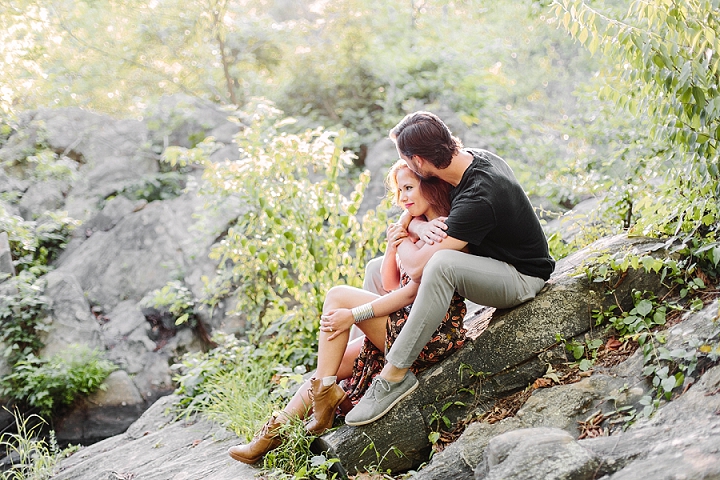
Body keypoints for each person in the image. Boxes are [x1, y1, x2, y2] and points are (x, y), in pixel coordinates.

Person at [228, 160, 467, 465]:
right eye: (399, 191)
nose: (403, 198)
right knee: (333, 363)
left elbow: (411, 293)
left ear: (430, 185)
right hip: (404, 324)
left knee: (338, 297)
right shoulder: (417, 225)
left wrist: (354, 316)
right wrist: (395, 245)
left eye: (409, 188)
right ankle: (276, 431)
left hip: (430, 334)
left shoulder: (443, 229)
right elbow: (393, 283)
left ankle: (325, 394)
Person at [345, 111, 555, 427]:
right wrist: (413, 228)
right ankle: (363, 357)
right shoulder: (469, 162)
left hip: (520, 278)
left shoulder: (481, 194)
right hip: (488, 265)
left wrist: (401, 230)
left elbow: (417, 267)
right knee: (378, 267)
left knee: (440, 263)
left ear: (418, 161)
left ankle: (393, 375)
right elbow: (429, 219)